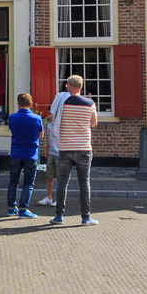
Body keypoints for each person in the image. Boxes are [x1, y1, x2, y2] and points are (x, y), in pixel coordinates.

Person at [49, 75, 98, 226]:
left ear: (69, 85)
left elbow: (52, 119)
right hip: (84, 148)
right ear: (81, 87)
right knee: (85, 183)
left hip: (65, 148)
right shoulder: (90, 103)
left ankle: (59, 215)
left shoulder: (61, 103)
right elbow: (93, 124)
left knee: (62, 182)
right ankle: (85, 217)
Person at [6, 92, 42, 217]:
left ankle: (11, 208)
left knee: (13, 182)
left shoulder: (12, 117)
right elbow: (41, 135)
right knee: (28, 183)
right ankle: (23, 209)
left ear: (18, 104)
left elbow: (12, 130)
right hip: (30, 154)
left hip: (16, 153)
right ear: (31, 104)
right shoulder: (37, 119)